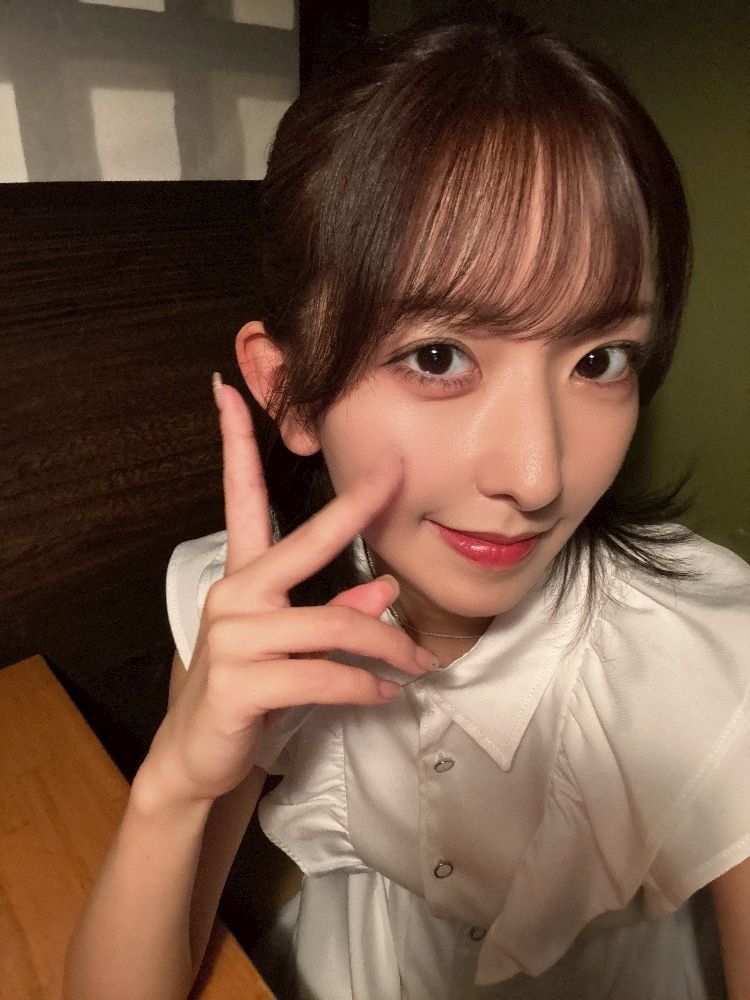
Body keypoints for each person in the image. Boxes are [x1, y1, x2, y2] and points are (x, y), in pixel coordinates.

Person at [64, 9, 750, 1000]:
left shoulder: (715, 657)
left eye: (600, 359)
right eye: (438, 356)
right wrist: (174, 784)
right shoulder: (254, 618)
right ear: (290, 392)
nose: (537, 476)